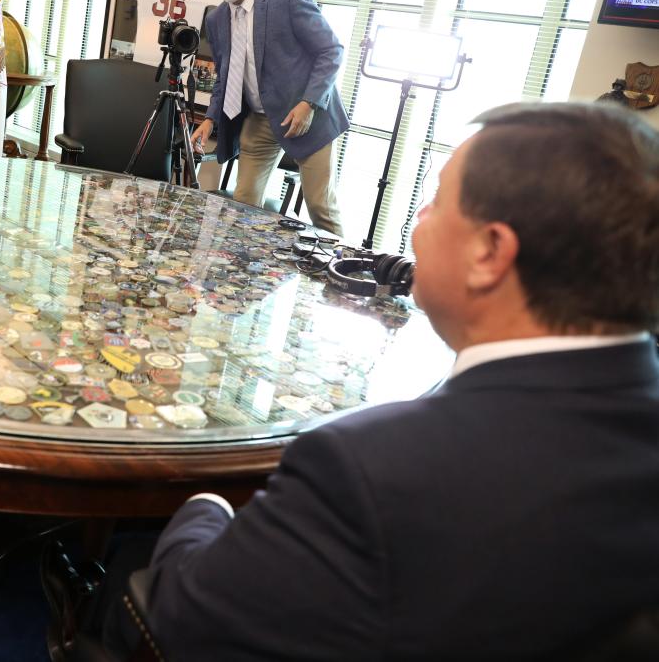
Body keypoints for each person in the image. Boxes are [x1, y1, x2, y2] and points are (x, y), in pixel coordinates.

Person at [90, 102, 659, 660]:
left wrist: (205, 503)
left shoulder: (367, 469)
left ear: (490, 252)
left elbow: (184, 616)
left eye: (435, 203)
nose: (417, 224)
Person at [190, 0, 348, 236]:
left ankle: (345, 274)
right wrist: (210, 119)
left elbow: (332, 51)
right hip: (259, 120)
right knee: (244, 202)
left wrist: (308, 103)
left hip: (306, 116)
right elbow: (226, 75)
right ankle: (242, 272)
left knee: (320, 208)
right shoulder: (216, 18)